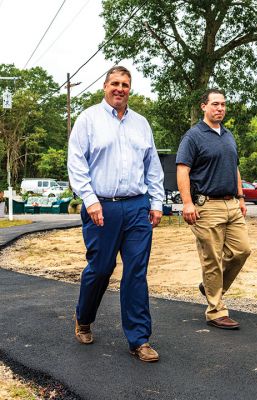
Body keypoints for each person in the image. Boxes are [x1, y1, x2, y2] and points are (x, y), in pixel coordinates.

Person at [68, 66, 164, 362]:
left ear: (129, 89)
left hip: (137, 206)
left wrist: (157, 202)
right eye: (115, 83)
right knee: (101, 268)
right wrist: (90, 199)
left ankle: (139, 339)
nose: (120, 88)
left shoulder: (141, 124)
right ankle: (84, 318)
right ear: (104, 86)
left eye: (125, 84)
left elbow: (153, 166)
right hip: (102, 206)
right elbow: (76, 163)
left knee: (136, 272)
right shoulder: (88, 119)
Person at [176, 88, 251, 330]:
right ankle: (216, 310)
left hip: (231, 204)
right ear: (204, 107)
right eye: (215, 104)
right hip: (206, 206)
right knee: (212, 260)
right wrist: (187, 202)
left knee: (242, 251)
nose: (220, 108)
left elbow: (235, 168)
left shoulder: (228, 135)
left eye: (223, 104)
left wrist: (240, 197)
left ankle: (210, 287)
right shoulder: (193, 136)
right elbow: (182, 170)